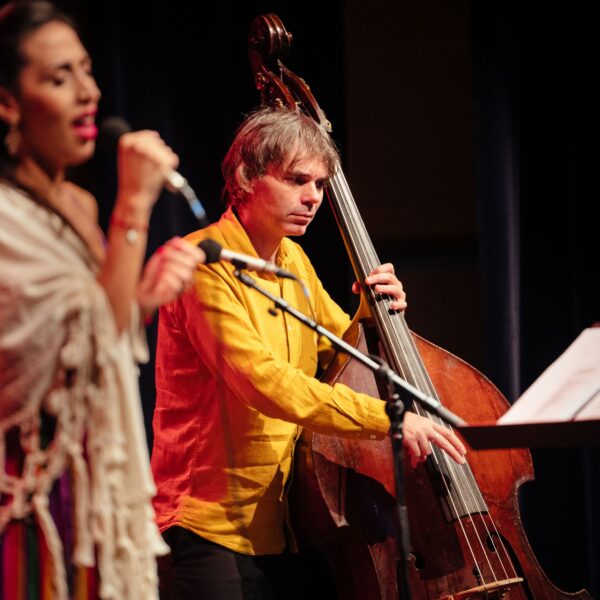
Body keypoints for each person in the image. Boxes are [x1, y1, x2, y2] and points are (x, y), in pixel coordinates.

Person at [151, 107, 467, 599]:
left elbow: (344, 354)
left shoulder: (292, 260)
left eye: (320, 184)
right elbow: (263, 382)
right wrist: (390, 419)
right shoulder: (202, 266)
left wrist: (374, 314)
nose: (314, 197)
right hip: (206, 527)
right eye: (297, 180)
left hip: (285, 524)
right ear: (246, 177)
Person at [0, 1, 204, 598]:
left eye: (86, 70)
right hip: (30, 493)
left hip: (93, 480)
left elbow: (92, 331)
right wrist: (135, 205)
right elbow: (58, 348)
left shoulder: (81, 206)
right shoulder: (6, 219)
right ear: (8, 102)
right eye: (58, 78)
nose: (88, 92)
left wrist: (143, 298)